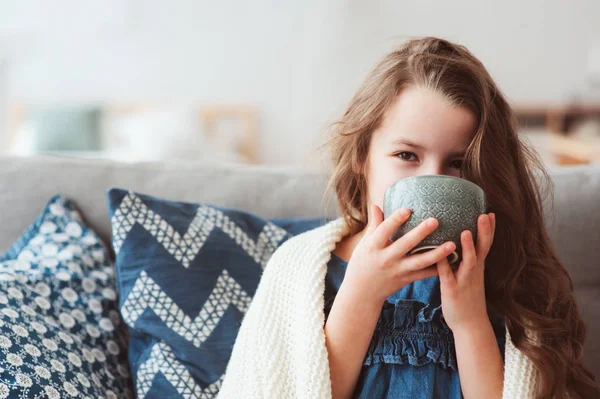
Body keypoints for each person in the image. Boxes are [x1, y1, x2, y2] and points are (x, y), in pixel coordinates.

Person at [217, 37, 599, 398]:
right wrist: (361, 295)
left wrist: (469, 322)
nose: (430, 178)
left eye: (458, 163)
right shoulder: (299, 270)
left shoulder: (506, 272)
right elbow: (296, 388)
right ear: (362, 158)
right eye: (407, 156)